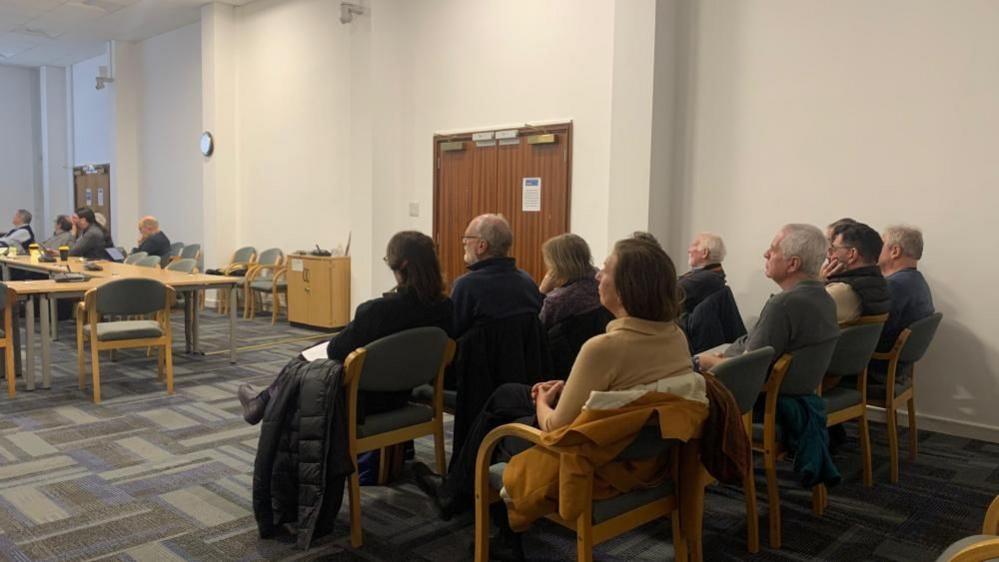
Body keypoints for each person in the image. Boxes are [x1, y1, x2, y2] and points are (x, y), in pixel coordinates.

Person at [413, 237, 701, 523]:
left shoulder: (603, 348)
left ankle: (475, 507)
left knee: (497, 422)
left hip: (593, 454)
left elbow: (555, 428)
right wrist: (570, 387)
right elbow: (633, 386)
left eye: (605, 269)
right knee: (506, 394)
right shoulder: (675, 336)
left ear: (627, 289)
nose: (598, 275)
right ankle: (459, 491)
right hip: (641, 448)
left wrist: (542, 400)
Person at [237, 231, 454, 424]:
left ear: (402, 265)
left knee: (310, 356)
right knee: (318, 347)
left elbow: (337, 350)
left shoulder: (377, 311)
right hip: (407, 391)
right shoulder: (445, 308)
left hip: (362, 399)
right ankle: (263, 400)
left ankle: (264, 401)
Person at [696, 224, 839, 372]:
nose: (766, 254)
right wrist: (726, 358)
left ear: (793, 264)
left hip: (752, 392)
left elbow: (747, 370)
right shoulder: (825, 298)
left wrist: (704, 361)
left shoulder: (782, 305)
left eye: (773, 249)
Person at [450, 214, 543, 338]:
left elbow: (451, 335)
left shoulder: (467, 286)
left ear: (482, 246)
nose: (463, 241)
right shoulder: (528, 282)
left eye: (467, 237)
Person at [871, 225, 935, 383]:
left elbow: (872, 333)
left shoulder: (895, 286)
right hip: (899, 368)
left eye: (880, 245)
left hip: (876, 369)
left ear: (895, 251)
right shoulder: (917, 281)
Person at [823, 222, 891, 324]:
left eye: (834, 249)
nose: (829, 256)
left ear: (852, 254)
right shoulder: (880, 284)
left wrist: (817, 282)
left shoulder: (841, 291)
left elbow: (796, 312)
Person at [537, 233, 601, 329]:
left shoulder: (556, 301)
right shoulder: (600, 281)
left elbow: (536, 329)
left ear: (559, 265)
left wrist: (541, 292)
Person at [679, 232, 728, 314]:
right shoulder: (714, 275)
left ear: (705, 253)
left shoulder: (707, 278)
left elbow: (669, 292)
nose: (689, 250)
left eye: (694, 245)